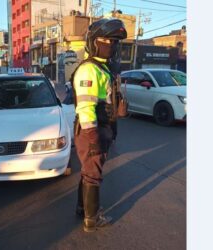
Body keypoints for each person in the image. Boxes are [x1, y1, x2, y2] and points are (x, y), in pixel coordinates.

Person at [71, 18, 127, 232]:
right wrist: (93, 136)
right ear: (94, 41)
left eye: (114, 42)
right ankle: (92, 219)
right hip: (91, 130)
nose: (111, 45)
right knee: (93, 175)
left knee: (88, 171)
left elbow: (107, 99)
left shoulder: (103, 69)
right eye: (107, 40)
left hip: (101, 128)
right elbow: (85, 107)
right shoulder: (89, 70)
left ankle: (81, 208)